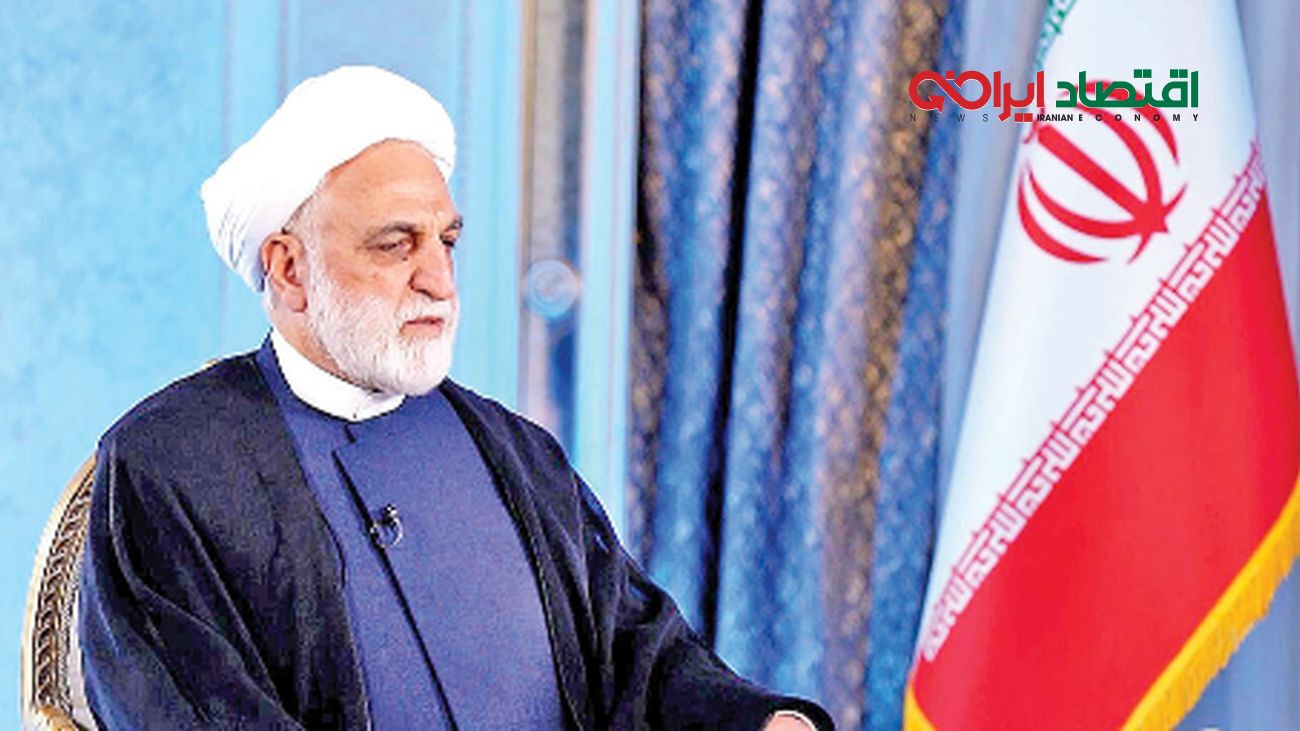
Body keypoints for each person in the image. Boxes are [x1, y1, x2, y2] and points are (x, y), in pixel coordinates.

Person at [77, 65, 830, 730]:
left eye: (447, 241)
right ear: (290, 269)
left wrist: (762, 722)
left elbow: (637, 653)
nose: (439, 280)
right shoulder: (169, 465)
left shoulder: (515, 451)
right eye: (395, 244)